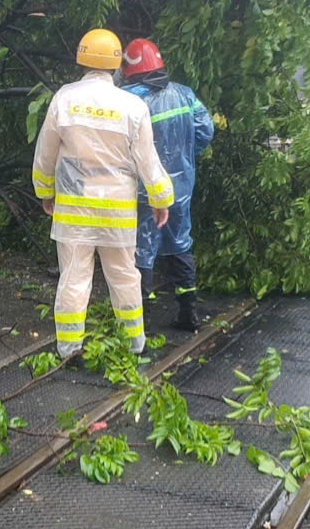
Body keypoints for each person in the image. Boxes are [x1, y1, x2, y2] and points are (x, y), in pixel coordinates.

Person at [32, 29, 175, 359]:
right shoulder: (132, 106)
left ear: (81, 58)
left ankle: (69, 349)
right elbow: (148, 161)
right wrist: (161, 199)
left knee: (74, 278)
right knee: (124, 276)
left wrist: (45, 191)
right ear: (116, 65)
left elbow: (46, 154)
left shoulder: (64, 99)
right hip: (117, 214)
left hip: (73, 211)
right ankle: (134, 344)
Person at [120, 38, 214, 332]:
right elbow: (205, 132)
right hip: (181, 188)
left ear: (130, 67)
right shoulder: (185, 95)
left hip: (143, 190)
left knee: (142, 251)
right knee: (180, 245)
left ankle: (140, 323)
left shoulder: (128, 100)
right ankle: (189, 313)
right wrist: (184, 158)